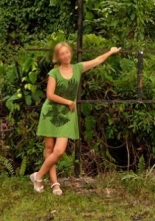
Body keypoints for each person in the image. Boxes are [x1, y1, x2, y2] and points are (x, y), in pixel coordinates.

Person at [30, 42, 120, 195]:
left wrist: (110, 52)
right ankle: (55, 184)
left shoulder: (78, 68)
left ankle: (37, 176)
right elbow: (50, 95)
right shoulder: (54, 73)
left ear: (70, 53)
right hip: (51, 111)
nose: (65, 56)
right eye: (62, 54)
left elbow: (97, 61)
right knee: (49, 149)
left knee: (59, 151)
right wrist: (69, 102)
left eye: (67, 52)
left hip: (67, 114)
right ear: (58, 57)